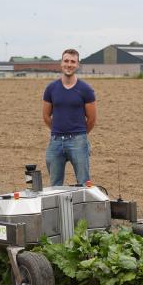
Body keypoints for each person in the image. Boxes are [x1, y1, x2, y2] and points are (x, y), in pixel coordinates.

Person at [42, 48, 97, 186]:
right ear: (61, 63)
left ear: (77, 65)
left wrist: (81, 135)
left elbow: (91, 119)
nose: (69, 64)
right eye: (66, 61)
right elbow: (46, 115)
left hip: (78, 142)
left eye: (73, 61)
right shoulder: (51, 88)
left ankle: (84, 207)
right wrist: (57, 129)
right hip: (55, 142)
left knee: (84, 183)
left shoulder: (86, 89)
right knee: (55, 185)